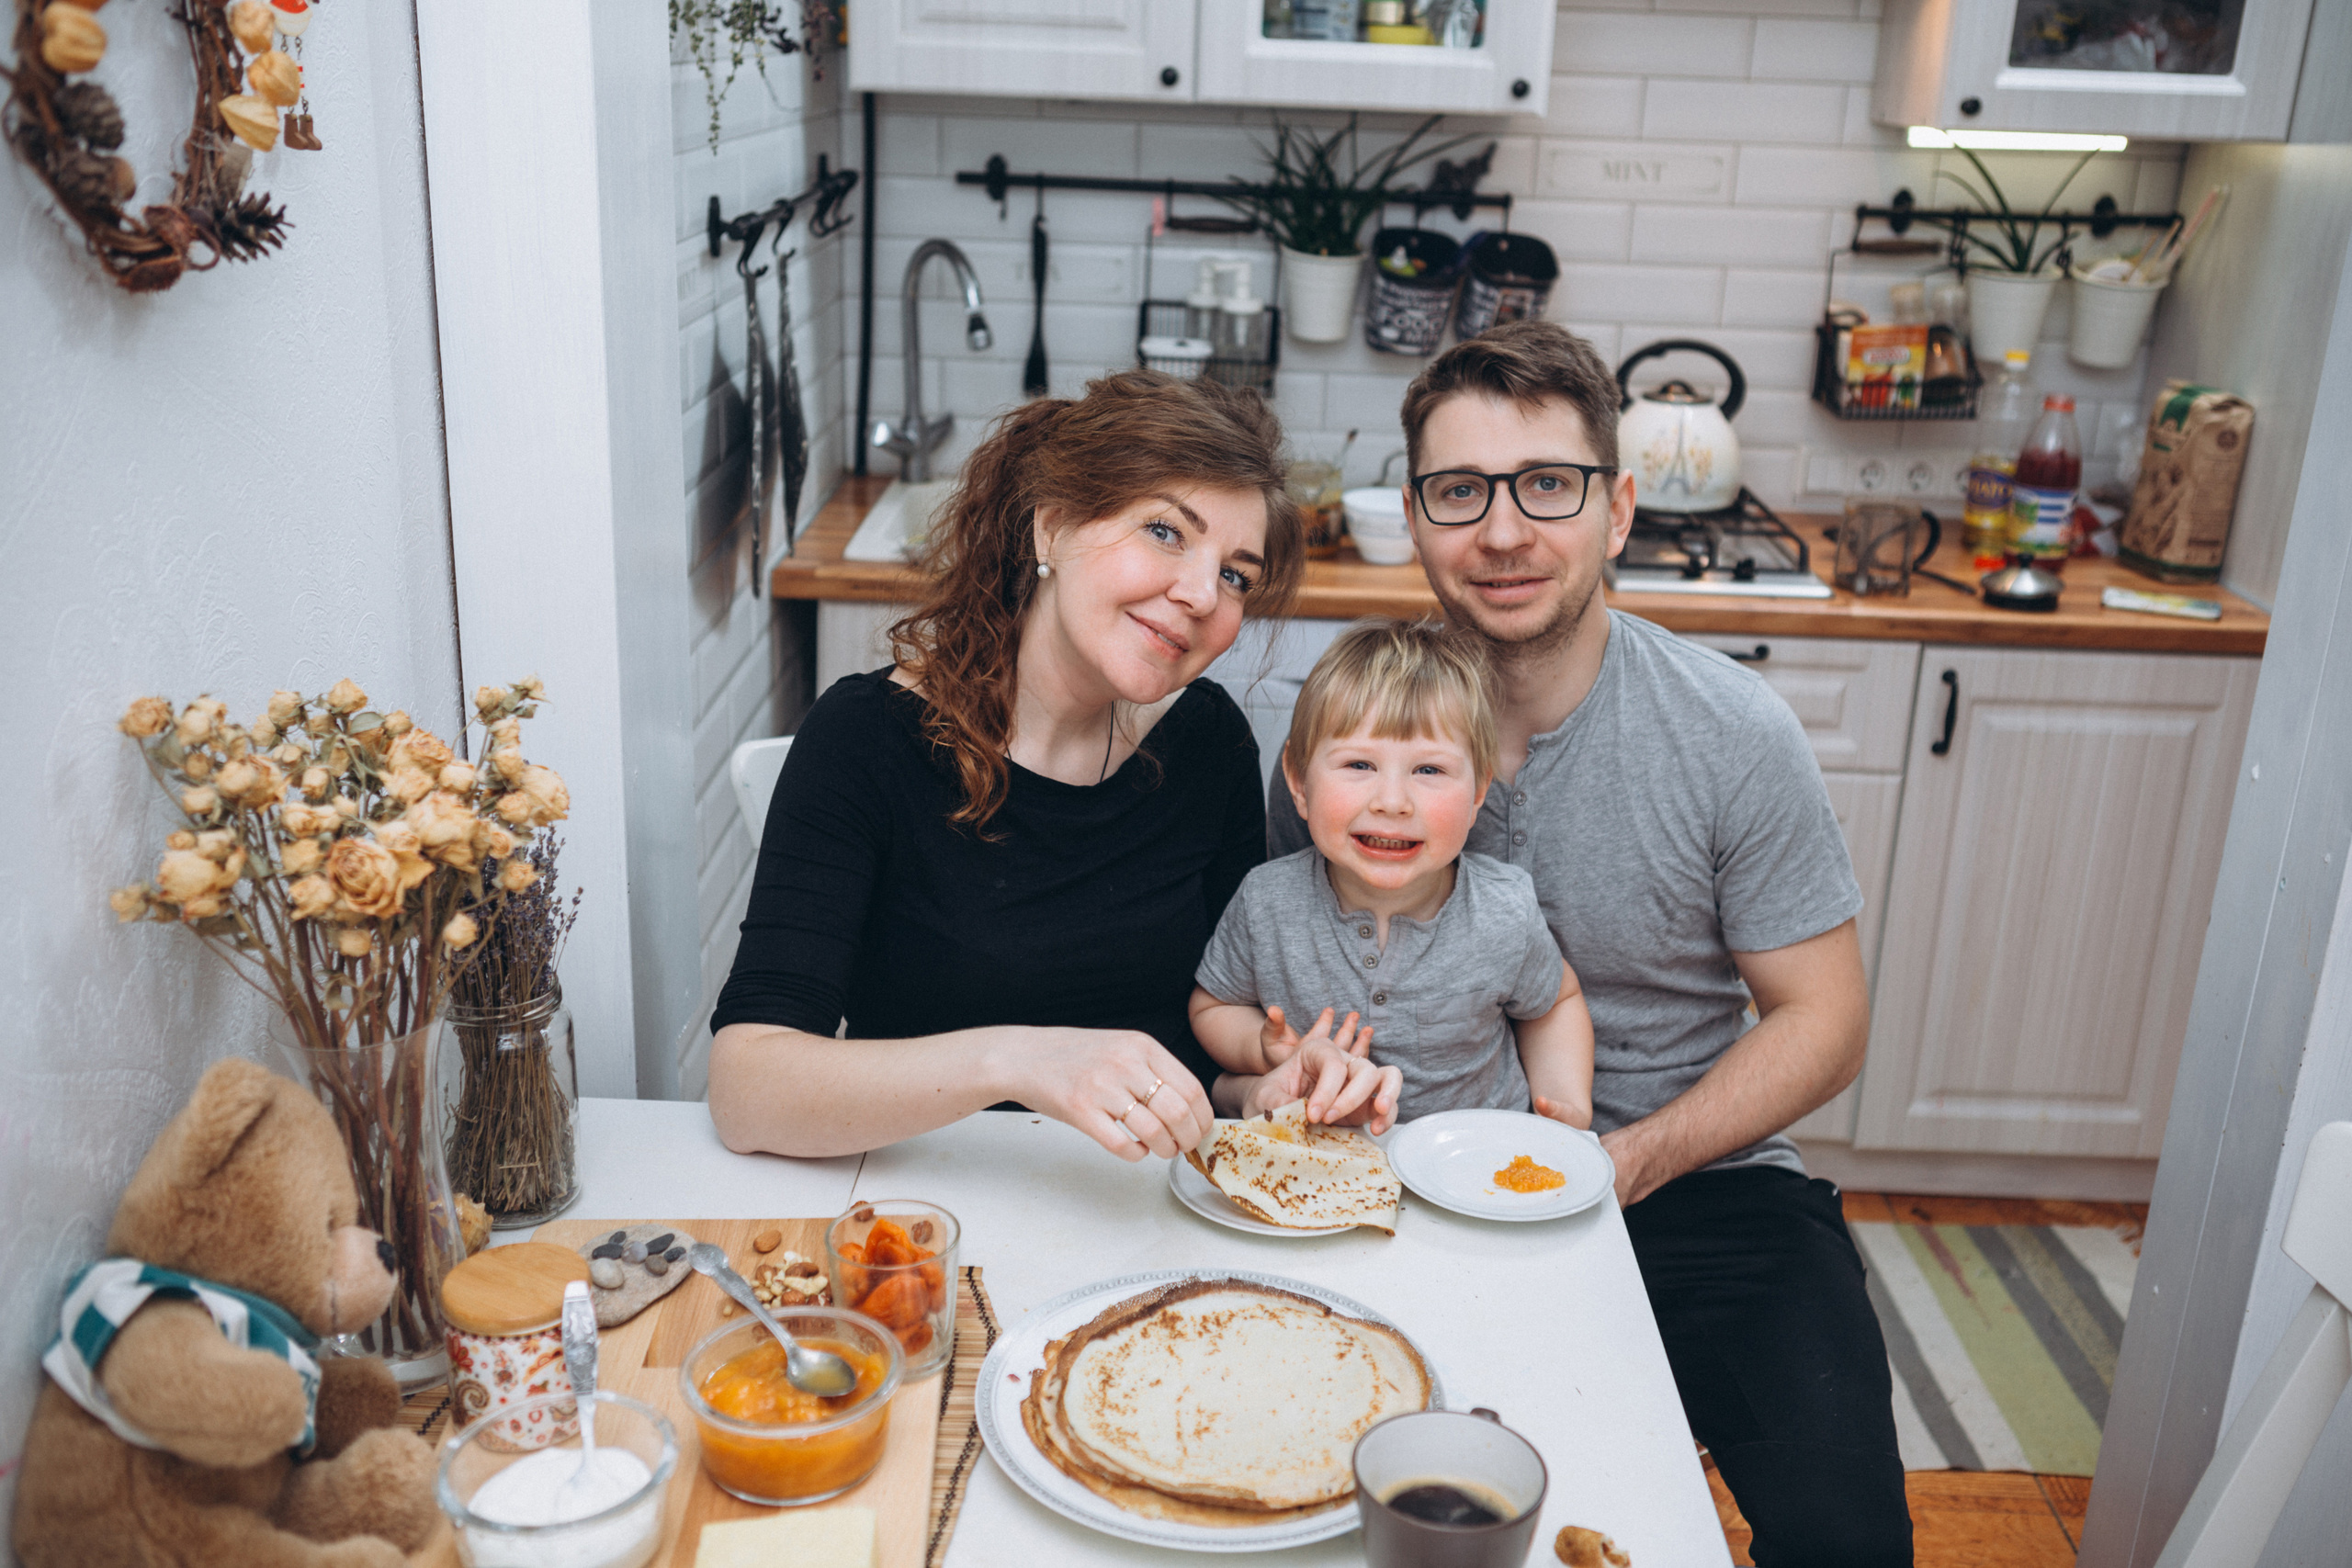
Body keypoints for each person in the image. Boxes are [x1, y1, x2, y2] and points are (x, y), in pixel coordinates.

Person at [1267, 323, 1911, 1566]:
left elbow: (1826, 1019)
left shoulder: (1732, 733)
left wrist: (1630, 1159)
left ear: (1617, 509)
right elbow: (1278, 980)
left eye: (1546, 486)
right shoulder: (1330, 743)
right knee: (1343, 1501)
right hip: (1403, 1183)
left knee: (1849, 1537)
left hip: (1700, 1187)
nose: (1503, 532)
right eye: (1461, 491)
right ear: (1415, 516)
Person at [707, 370, 1400, 1164]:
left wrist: (1262, 1090)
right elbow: (746, 1090)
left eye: (1236, 573)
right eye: (1167, 532)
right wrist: (1020, 1060)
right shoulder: (866, 738)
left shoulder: (1209, 743)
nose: (1204, 593)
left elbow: (1205, 1053)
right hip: (931, 1217)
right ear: (1052, 527)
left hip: (1141, 1212)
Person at [1190, 617, 1594, 1137]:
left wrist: (1565, 1104)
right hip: (1320, 1167)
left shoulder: (1504, 910)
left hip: (1474, 1166)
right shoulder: (1266, 900)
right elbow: (1214, 1003)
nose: (1392, 802)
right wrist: (1261, 1047)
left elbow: (1555, 1001)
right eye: (1359, 764)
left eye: (1428, 770)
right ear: (1298, 782)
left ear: (1477, 794)